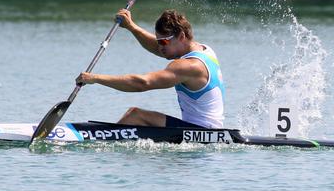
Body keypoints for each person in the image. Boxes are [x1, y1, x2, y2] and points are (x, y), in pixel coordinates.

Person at [76, 9, 225, 128]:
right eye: (159, 41)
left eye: (164, 42)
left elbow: (142, 83)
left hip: (202, 132)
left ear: (181, 36)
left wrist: (95, 78)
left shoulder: (189, 66)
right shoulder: (205, 50)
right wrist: (131, 26)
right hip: (205, 128)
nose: (160, 47)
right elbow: (156, 47)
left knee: (135, 116)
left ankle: (104, 141)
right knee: (134, 115)